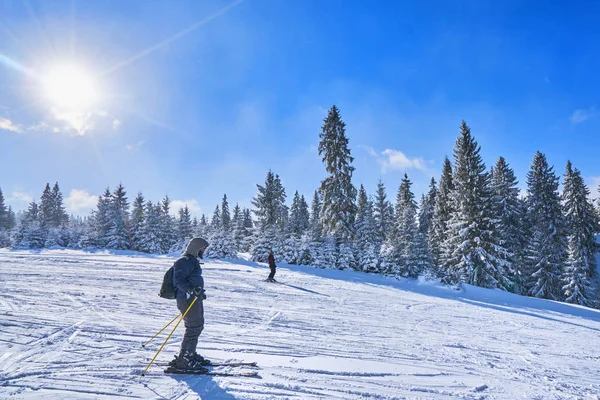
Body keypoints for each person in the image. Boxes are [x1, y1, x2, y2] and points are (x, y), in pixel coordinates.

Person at [172, 237, 210, 370]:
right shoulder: (184, 261)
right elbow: (178, 280)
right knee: (193, 327)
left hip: (193, 298)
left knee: (198, 326)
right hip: (187, 299)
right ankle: (184, 361)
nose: (203, 251)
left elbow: (191, 279)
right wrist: (192, 290)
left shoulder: (191, 261)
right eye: (202, 249)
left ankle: (190, 354)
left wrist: (198, 292)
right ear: (196, 248)